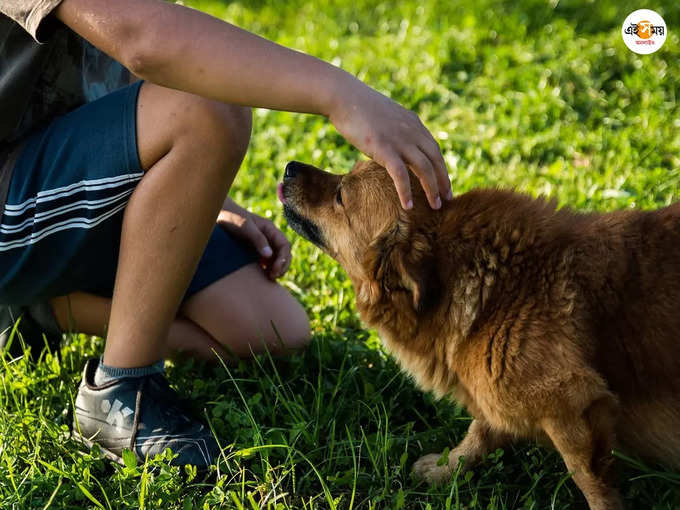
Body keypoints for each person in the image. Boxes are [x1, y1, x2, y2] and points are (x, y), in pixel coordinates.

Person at [0, 0, 451, 468]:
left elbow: (131, 68)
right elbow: (143, 39)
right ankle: (120, 391)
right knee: (209, 108)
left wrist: (202, 196)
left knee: (270, 329)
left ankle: (39, 307)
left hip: (62, 180)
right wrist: (341, 95)